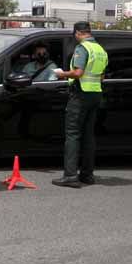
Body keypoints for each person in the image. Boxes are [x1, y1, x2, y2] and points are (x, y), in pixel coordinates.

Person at [52, 22, 108, 188]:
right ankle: (87, 175)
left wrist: (62, 74)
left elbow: (78, 73)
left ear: (78, 33)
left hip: (80, 95)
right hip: (95, 94)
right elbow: (102, 76)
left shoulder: (82, 48)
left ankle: (70, 176)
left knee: (73, 134)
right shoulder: (100, 50)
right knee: (88, 136)